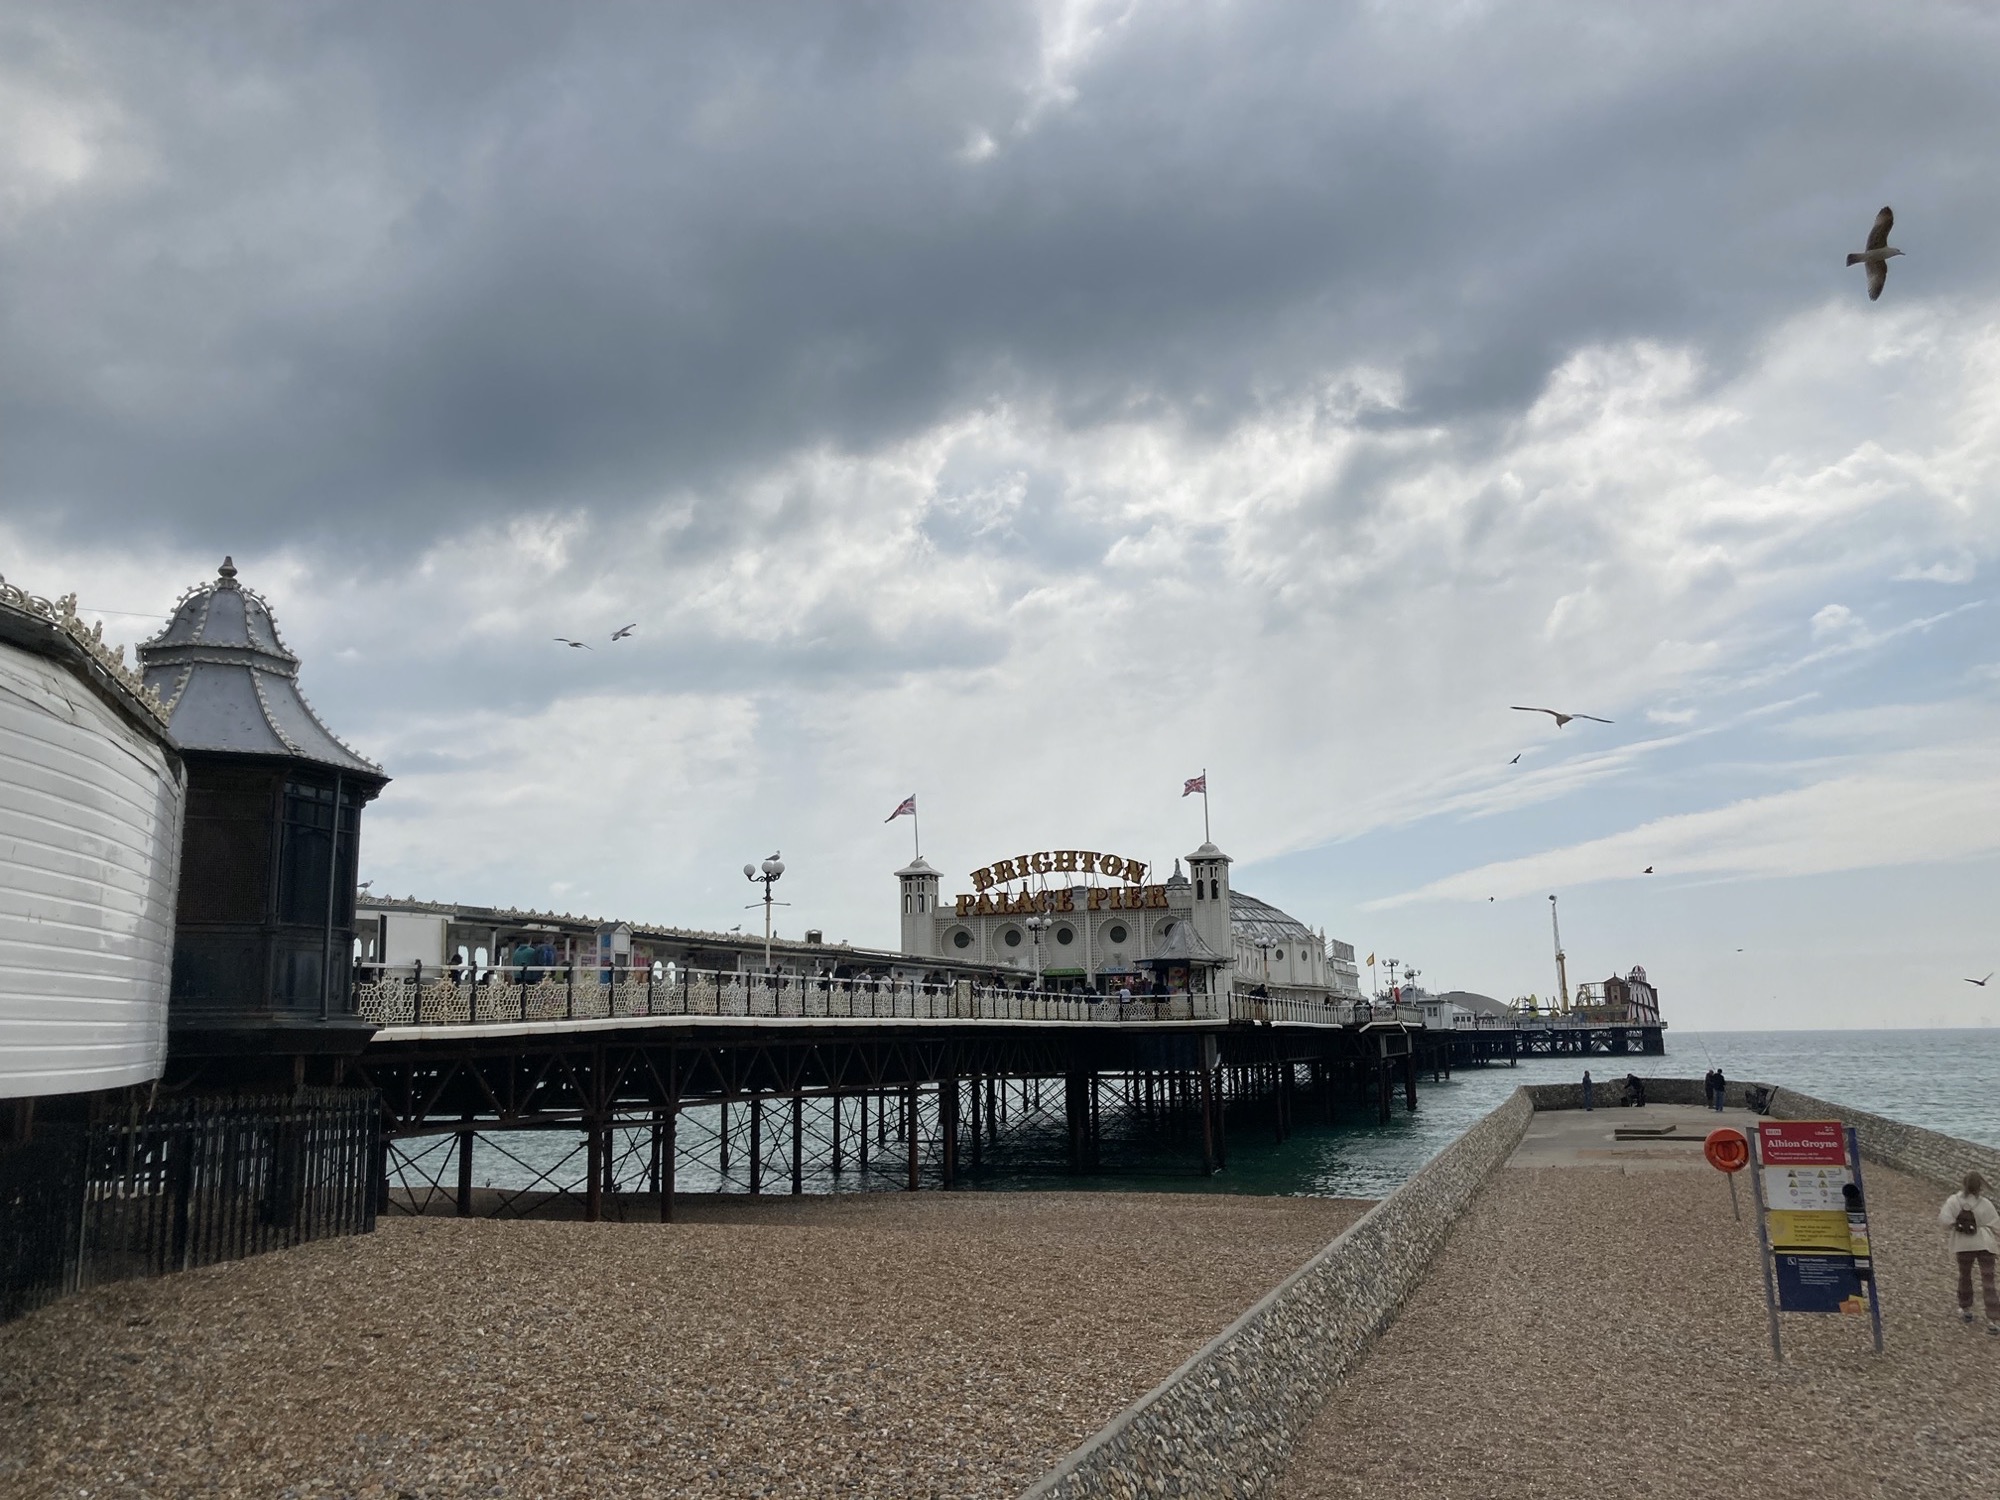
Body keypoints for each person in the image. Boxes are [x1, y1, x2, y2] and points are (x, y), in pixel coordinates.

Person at [1939, 1171, 2000, 1332]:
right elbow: (1997, 1225)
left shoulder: (1954, 1201)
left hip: (1963, 1243)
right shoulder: (1985, 1203)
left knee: (1965, 1276)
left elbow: (1944, 1221)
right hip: (1985, 1243)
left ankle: (1966, 1310)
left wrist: (1959, 1225)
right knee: (1988, 1280)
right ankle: (1993, 1320)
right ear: (1980, 1186)